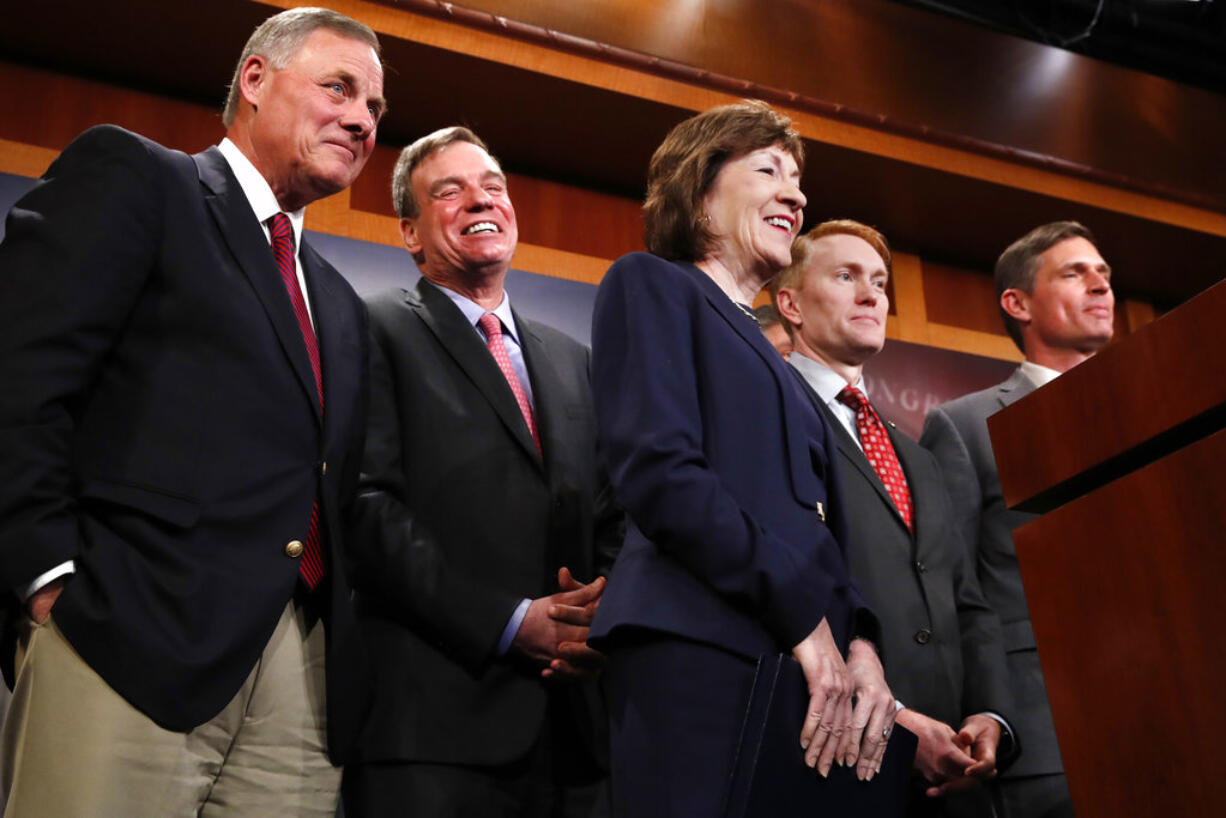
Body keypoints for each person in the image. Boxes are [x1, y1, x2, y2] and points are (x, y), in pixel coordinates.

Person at [0, 7, 384, 817]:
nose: (360, 119)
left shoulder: (341, 304)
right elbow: (19, 376)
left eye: (375, 110)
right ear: (255, 79)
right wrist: (46, 576)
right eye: (340, 88)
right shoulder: (140, 179)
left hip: (301, 686)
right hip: (123, 635)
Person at [587, 100, 896, 818]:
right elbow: (663, 476)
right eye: (767, 170)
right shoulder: (651, 284)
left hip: (804, 671)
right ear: (699, 191)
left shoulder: (782, 368)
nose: (795, 193)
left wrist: (861, 647)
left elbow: (823, 540)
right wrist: (802, 619)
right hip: (696, 654)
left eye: (797, 179)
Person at [343, 126, 623, 818]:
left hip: (575, 736)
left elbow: (614, 514)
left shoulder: (572, 357)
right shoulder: (372, 326)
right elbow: (366, 506)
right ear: (410, 232)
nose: (480, 200)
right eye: (451, 191)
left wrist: (602, 620)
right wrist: (507, 621)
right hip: (434, 731)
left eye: (493, 186)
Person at [774, 220, 1016, 817]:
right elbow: (778, 585)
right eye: (846, 276)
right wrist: (900, 724)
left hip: (955, 778)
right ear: (791, 303)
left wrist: (989, 717)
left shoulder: (918, 454)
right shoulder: (772, 416)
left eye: (880, 283)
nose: (871, 295)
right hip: (837, 760)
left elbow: (967, 600)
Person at [920, 221, 1114, 818]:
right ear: (1017, 302)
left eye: (1104, 274)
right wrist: (986, 712)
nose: (1100, 285)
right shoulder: (967, 424)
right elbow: (955, 584)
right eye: (1075, 272)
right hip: (1046, 724)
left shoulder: (1152, 407)